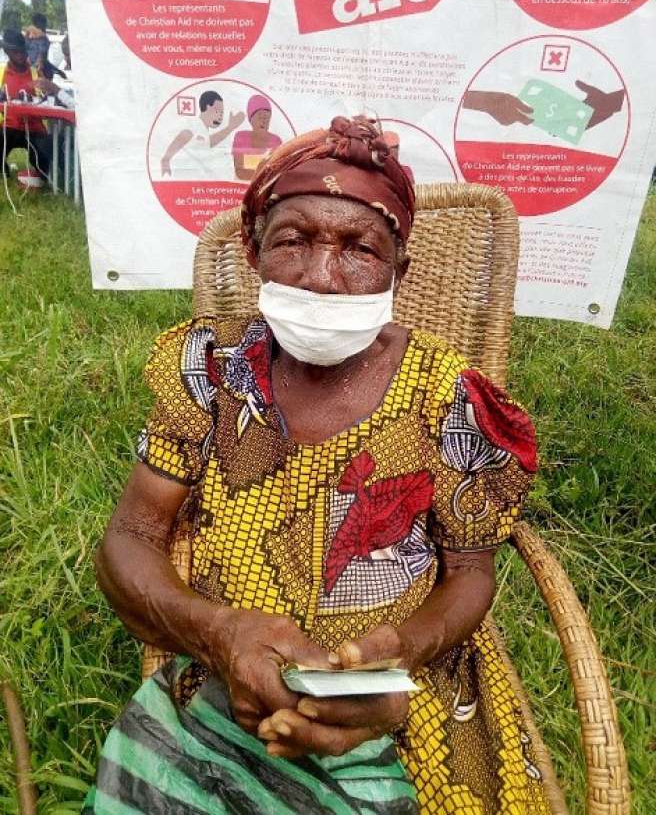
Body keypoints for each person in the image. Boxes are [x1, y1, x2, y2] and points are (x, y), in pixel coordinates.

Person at [86, 117, 552, 814]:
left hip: (403, 691)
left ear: (401, 269)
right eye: (293, 241)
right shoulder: (210, 370)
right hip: (226, 675)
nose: (324, 278)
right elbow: (132, 538)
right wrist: (217, 635)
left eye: (359, 248)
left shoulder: (448, 395)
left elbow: (471, 571)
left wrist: (401, 652)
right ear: (252, 250)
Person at [0, 29, 52, 180]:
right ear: (7, 51)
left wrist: (44, 92)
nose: (22, 55)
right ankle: (4, 172)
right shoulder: (2, 73)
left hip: (34, 128)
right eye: (16, 52)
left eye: (23, 51)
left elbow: (47, 100)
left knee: (42, 164)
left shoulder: (36, 73)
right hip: (9, 127)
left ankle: (39, 176)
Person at [160, 90, 244, 178]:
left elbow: (208, 143)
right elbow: (185, 136)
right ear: (208, 107)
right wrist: (166, 159)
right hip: (186, 178)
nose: (220, 116)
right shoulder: (194, 124)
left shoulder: (202, 129)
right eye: (218, 111)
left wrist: (230, 128)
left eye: (222, 112)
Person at [232, 94, 283, 181]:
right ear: (251, 119)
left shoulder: (276, 141)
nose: (264, 120)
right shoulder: (241, 137)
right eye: (260, 116)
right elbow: (240, 172)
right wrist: (265, 175)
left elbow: (277, 172)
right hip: (241, 189)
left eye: (267, 117)